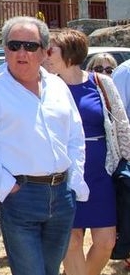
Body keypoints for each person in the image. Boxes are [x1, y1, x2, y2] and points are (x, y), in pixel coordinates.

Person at [0, 16, 89, 275]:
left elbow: (75, 136)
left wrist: (74, 180)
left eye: (30, 46)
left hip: (62, 196)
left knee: (50, 270)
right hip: (22, 196)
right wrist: (7, 186)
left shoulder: (58, 86)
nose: (21, 52)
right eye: (14, 45)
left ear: (45, 51)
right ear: (5, 49)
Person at [44, 29, 130, 275]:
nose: (45, 55)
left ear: (69, 53)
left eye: (51, 50)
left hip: (101, 172)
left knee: (106, 242)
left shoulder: (102, 82)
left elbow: (121, 125)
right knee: (72, 242)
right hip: (65, 175)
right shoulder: (47, 87)